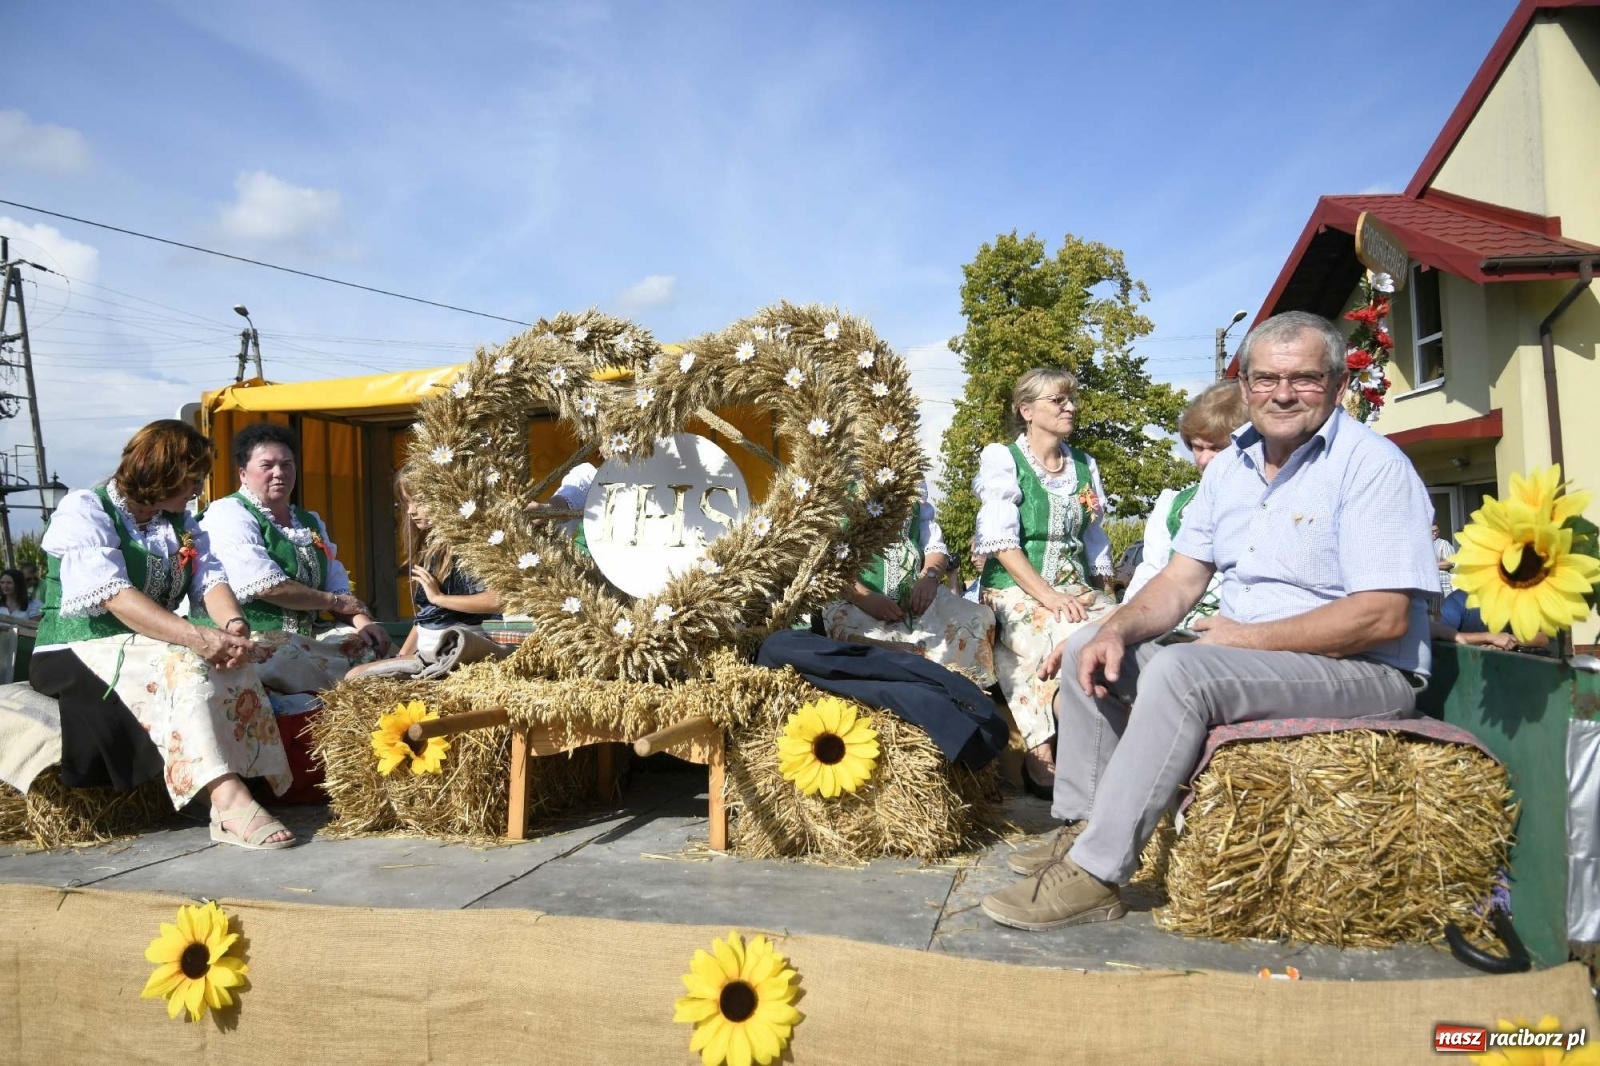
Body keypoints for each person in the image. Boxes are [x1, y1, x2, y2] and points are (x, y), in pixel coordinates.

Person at [982, 311, 1438, 930]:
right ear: (1245, 387)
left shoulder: (1372, 466)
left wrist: (1247, 638)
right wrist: (1114, 628)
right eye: (1266, 378)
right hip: (1250, 657)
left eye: (1304, 378)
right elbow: (1179, 580)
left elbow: (1383, 617)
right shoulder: (1232, 468)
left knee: (1181, 670)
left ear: (1337, 385)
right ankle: (1084, 830)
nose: (1282, 393)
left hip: (1362, 670)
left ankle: (1099, 874)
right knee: (1090, 643)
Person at [29, 420, 296, 849]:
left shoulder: (178, 522)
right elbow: (115, 596)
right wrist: (196, 638)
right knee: (187, 664)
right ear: (160, 472)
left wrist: (232, 627)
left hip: (144, 643)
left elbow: (210, 581)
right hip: (75, 648)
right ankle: (227, 803)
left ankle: (246, 781)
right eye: (192, 479)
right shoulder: (87, 509)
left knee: (231, 665)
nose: (197, 490)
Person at [973, 368, 1115, 795]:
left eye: (1072, 399)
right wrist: (1050, 596)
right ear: (1027, 411)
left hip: (1073, 588)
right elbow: (1001, 542)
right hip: (1014, 588)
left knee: (1120, 631)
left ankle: (1111, 750)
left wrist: (1107, 593)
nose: (1070, 407)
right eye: (1059, 400)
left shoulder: (1085, 465)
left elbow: (1094, 538)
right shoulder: (1003, 459)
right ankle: (1041, 757)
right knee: (1055, 631)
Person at [199, 423, 390, 694]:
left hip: (302, 638)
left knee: (373, 650)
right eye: (267, 465)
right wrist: (334, 602)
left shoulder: (308, 521)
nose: (279, 473)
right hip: (254, 638)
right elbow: (267, 585)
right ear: (243, 473)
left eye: (287, 465)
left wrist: (362, 622)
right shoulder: (228, 513)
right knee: (300, 663)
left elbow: (334, 581)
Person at [820, 482, 996, 687]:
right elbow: (823, 558)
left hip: (915, 599)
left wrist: (929, 577)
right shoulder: (840, 479)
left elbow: (934, 547)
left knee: (977, 616)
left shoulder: (910, 479)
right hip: (855, 599)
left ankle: (963, 697)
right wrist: (862, 596)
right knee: (877, 644)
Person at [346, 467, 501, 676]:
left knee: (354, 677)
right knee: (355, 676)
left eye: (418, 501)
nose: (410, 511)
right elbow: (426, 619)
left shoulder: (467, 546)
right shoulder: (430, 547)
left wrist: (439, 598)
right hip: (425, 655)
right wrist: (401, 657)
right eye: (405, 503)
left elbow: (497, 599)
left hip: (454, 652)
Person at [1123, 380, 1249, 628]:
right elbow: (1150, 573)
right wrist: (1120, 623)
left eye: (1217, 448)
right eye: (1197, 447)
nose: (1203, 460)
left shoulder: (1267, 503)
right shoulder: (1176, 505)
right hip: (1173, 622)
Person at [1432, 588, 1549, 651]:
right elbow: (1440, 634)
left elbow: (1543, 638)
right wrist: (1489, 637)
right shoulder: (1458, 600)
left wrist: (1506, 641)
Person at [1432, 522, 1456, 601]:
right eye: (1432, 531)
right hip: (1428, 585)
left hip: (1443, 585)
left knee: (1441, 610)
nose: (1435, 533)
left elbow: (1450, 562)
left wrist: (1431, 565)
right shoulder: (1422, 545)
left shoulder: (1443, 543)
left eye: (1437, 530)